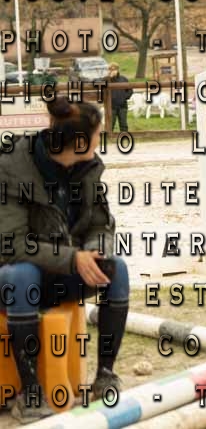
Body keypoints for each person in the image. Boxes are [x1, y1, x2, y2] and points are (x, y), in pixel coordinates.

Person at [0, 98, 129, 423]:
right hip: (12, 277)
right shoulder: (10, 166)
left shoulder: (88, 166)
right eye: (98, 134)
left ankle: (105, 375)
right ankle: (31, 394)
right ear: (79, 141)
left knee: (118, 270)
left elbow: (101, 224)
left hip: (59, 272)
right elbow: (12, 245)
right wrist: (73, 259)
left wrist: (97, 250)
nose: (101, 139)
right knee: (21, 275)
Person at [107, 63, 133, 133]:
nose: (112, 71)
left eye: (114, 69)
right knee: (111, 124)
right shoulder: (107, 80)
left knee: (123, 124)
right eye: (110, 69)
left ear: (117, 70)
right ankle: (109, 137)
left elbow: (130, 90)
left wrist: (124, 97)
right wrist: (109, 77)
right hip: (111, 106)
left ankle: (124, 136)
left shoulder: (123, 79)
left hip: (122, 106)